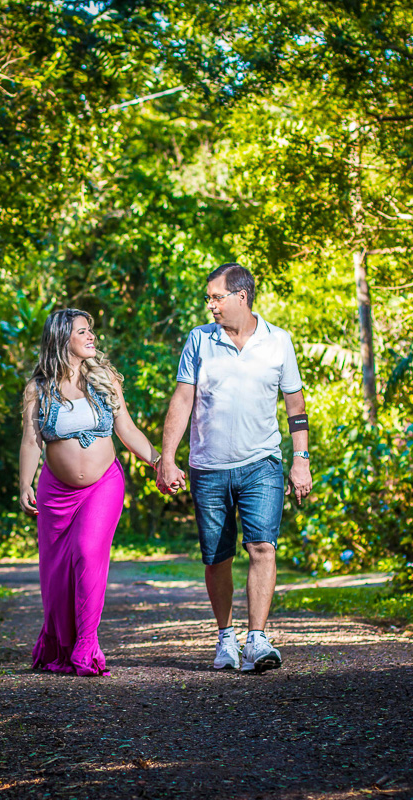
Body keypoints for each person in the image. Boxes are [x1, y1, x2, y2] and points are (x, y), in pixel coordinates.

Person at [157, 263, 313, 673]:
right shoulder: (200, 340)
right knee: (217, 557)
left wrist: (301, 460)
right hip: (208, 467)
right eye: (209, 298)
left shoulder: (279, 341)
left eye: (216, 297)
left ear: (241, 297)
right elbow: (183, 399)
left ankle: (257, 639)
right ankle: (226, 636)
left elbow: (295, 407)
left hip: (262, 462)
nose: (210, 305)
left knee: (262, 547)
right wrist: (167, 458)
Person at [18, 308, 162, 676]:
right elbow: (32, 441)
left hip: (103, 485)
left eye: (90, 330)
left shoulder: (104, 379)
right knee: (55, 575)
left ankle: (86, 644)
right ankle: (60, 647)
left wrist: (159, 462)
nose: (91, 336)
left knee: (87, 551)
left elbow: (127, 430)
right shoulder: (38, 388)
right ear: (61, 338)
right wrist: (25, 483)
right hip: (55, 493)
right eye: (82, 331)